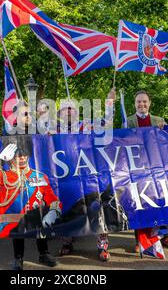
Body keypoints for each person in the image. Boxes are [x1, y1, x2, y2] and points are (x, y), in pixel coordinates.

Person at [0, 102, 59, 270]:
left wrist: (50, 136)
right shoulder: (8, 132)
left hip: (35, 179)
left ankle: (43, 253)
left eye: (29, 114)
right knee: (17, 217)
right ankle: (18, 258)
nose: (28, 117)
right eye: (24, 114)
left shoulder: (37, 131)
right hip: (16, 183)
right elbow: (0, 149)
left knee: (39, 213)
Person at [58, 88, 116, 262]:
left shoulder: (87, 125)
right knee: (66, 211)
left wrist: (109, 103)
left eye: (72, 108)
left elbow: (106, 123)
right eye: (65, 108)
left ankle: (102, 246)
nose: (69, 111)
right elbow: (34, 144)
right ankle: (67, 241)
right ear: (60, 112)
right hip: (66, 179)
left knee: (97, 210)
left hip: (88, 176)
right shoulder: (52, 130)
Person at [127, 90, 168, 252]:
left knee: (162, 201)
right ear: (134, 104)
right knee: (140, 203)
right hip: (138, 169)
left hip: (157, 168)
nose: (141, 104)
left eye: (144, 101)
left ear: (149, 103)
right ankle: (140, 240)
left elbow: (167, 142)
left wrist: (165, 130)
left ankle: (164, 236)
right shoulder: (127, 122)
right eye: (138, 102)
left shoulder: (159, 121)